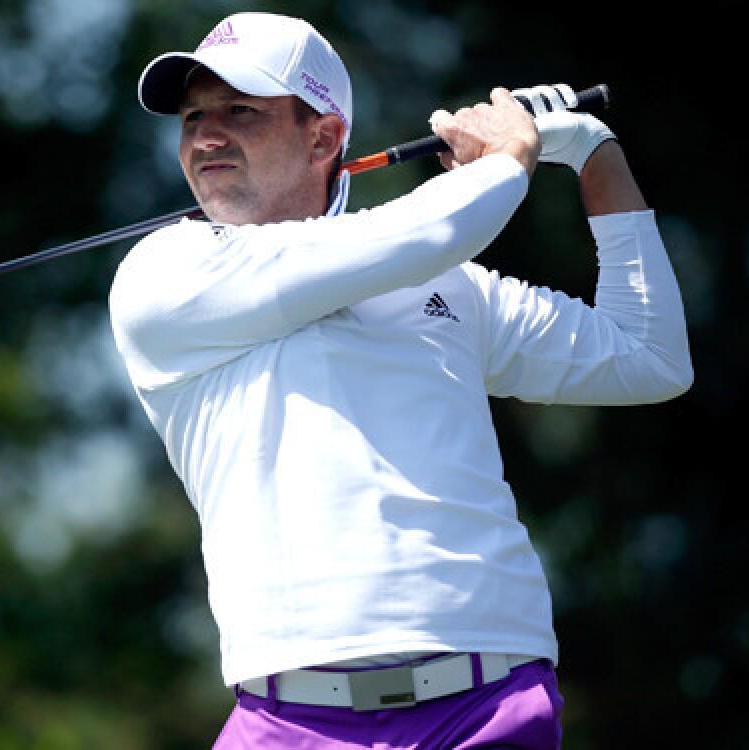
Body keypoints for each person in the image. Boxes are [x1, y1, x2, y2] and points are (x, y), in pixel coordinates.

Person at [108, 11, 693, 749]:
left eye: (241, 111)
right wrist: (509, 156)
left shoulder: (452, 286)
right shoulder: (165, 276)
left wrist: (593, 153)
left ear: (324, 136)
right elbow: (429, 228)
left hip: (486, 707)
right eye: (193, 117)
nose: (207, 136)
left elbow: (650, 358)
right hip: (288, 722)